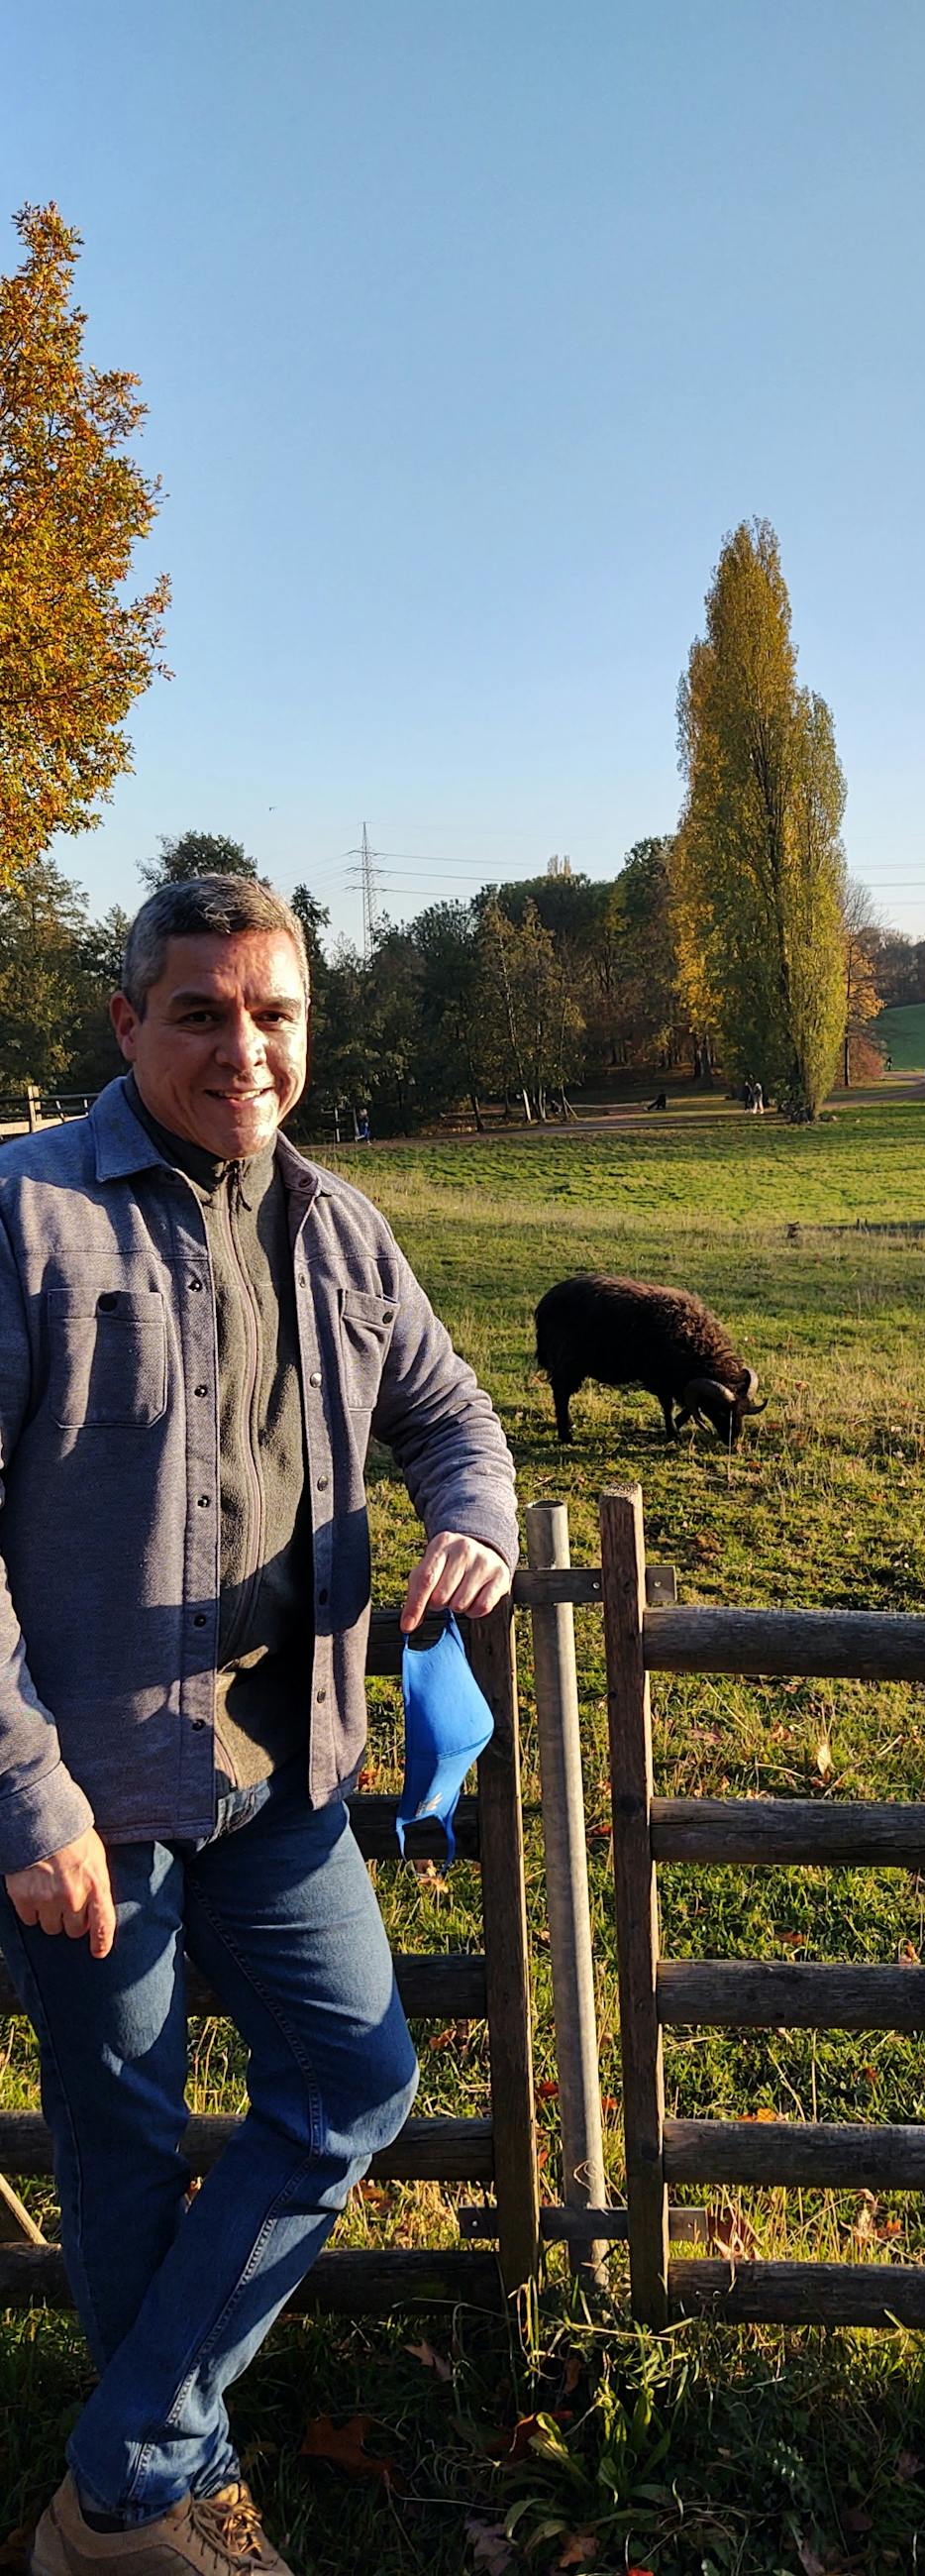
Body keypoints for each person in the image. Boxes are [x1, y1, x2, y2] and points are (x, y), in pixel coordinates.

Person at [0, 877, 518, 2576]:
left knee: (358, 2083)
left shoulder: (342, 1226)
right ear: (130, 1022)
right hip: (98, 1799)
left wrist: (477, 1526)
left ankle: (123, 2480)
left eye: (273, 1012)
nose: (245, 1047)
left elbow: (456, 1416)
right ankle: (163, 2498)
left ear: (308, 1025)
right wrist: (27, 1794)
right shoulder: (27, 1213)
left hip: (284, 1780)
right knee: (126, 2151)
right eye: (204, 1011)